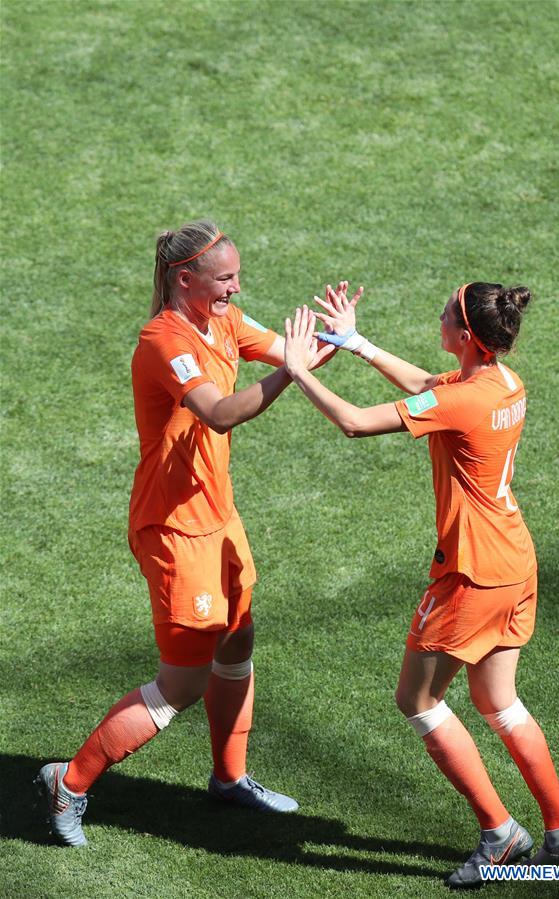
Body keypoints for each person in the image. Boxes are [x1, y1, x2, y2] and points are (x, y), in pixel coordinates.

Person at [36, 219, 341, 847]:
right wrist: (296, 372)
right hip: (174, 528)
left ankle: (229, 780)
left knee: (237, 642)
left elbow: (289, 353)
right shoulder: (163, 340)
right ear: (186, 280)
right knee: (183, 682)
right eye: (225, 278)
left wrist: (338, 337)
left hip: (218, 517)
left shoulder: (221, 320)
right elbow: (221, 413)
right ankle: (69, 781)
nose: (236, 287)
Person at [282, 284, 559, 888]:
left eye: (448, 314)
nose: (440, 318)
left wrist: (299, 371)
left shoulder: (465, 401)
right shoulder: (502, 384)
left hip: (472, 574)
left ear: (469, 337)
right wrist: (356, 342)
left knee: (418, 700)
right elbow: (431, 385)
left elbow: (352, 422)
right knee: (499, 702)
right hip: (515, 565)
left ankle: (500, 834)